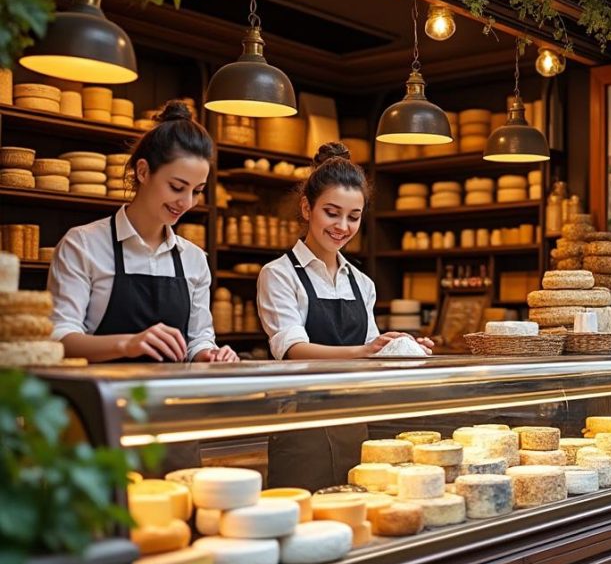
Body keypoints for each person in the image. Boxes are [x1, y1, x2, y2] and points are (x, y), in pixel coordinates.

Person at [257, 142, 433, 490]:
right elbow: (292, 349)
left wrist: (401, 348)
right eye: (332, 213)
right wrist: (365, 351)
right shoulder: (278, 274)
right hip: (300, 430)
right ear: (307, 208)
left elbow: (372, 353)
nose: (342, 226)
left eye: (353, 217)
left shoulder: (362, 283)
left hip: (355, 423)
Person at [48, 101, 237, 364]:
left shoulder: (194, 259)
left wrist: (210, 354)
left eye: (196, 191)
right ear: (143, 171)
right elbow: (59, 338)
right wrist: (128, 343)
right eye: (176, 186)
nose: (186, 203)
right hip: (100, 397)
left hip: (170, 400)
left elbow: (198, 340)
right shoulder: (83, 244)